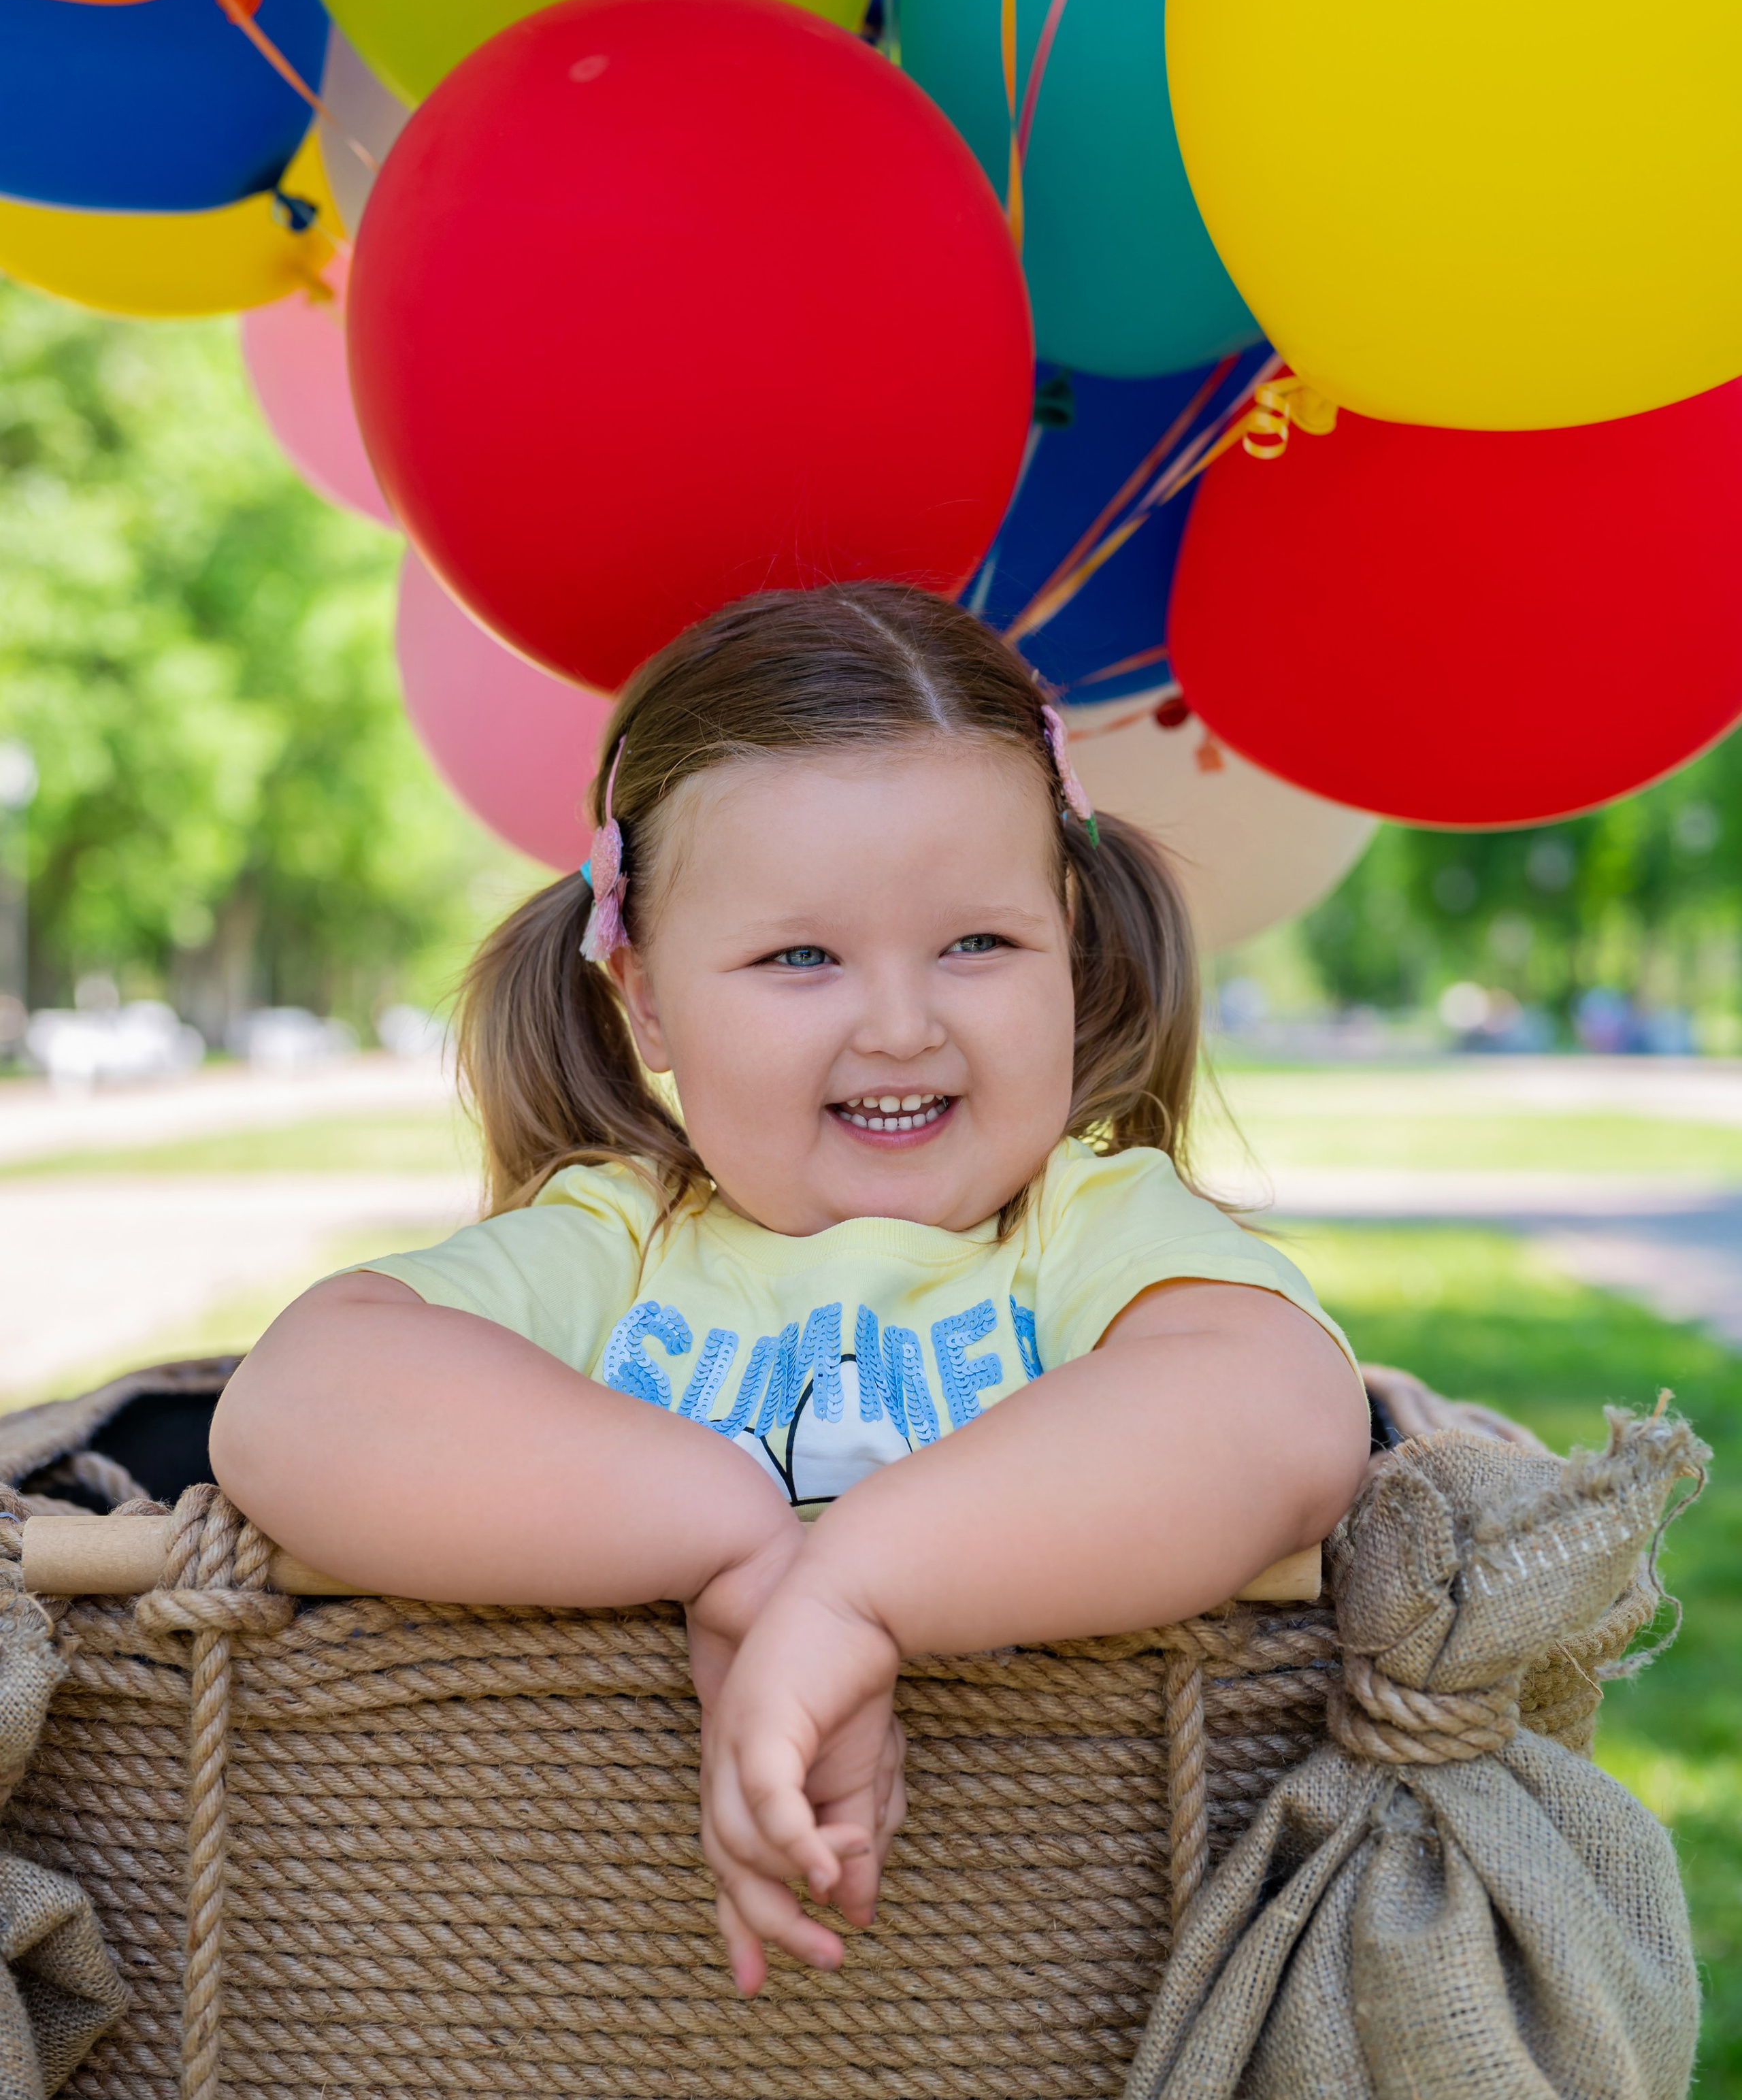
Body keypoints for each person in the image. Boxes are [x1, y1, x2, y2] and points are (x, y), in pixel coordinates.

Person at [212, 584, 1370, 1995]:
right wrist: (737, 1546)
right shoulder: (620, 1239)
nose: (898, 1023)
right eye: (798, 958)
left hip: (1058, 1974)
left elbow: (1276, 1419)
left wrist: (856, 1597)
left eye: (976, 944)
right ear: (641, 994)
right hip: (581, 1985)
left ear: (1069, 941)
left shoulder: (1086, 1225)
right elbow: (300, 1406)